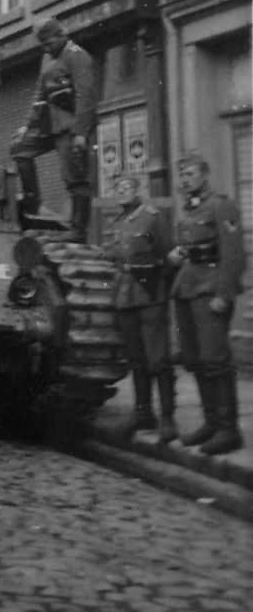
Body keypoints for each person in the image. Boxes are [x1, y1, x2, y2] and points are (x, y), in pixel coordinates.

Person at [168, 152, 245, 455]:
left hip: (211, 290)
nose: (185, 180)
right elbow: (192, 248)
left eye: (190, 174)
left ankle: (229, 429)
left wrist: (223, 296)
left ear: (205, 175)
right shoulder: (189, 209)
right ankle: (211, 423)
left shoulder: (221, 205)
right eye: (183, 175)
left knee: (215, 359)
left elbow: (234, 255)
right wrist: (177, 255)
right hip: (188, 289)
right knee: (197, 360)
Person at [10, 18, 97, 242]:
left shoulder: (77, 55)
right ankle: (33, 203)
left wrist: (81, 133)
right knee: (20, 148)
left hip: (70, 125)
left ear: (61, 36)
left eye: (49, 43)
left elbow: (85, 96)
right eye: (43, 45)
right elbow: (40, 95)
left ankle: (78, 230)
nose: (46, 49)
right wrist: (27, 126)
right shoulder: (47, 58)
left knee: (75, 175)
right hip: (47, 124)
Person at [106, 173, 177, 442]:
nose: (122, 191)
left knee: (157, 357)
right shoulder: (120, 222)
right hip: (125, 296)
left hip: (149, 294)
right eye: (118, 188)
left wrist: (161, 293)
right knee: (136, 358)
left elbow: (169, 256)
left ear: (137, 190)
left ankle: (168, 417)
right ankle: (143, 413)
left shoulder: (152, 217)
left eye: (127, 187)